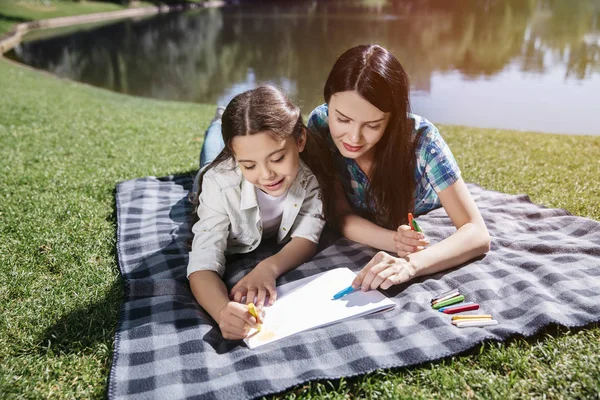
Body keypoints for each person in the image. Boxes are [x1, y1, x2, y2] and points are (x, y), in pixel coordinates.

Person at [307, 44, 491, 293]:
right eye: (342, 119)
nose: (354, 137)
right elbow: (341, 216)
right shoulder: (320, 124)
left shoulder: (422, 140)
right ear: (328, 102)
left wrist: (410, 265)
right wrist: (393, 240)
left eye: (372, 125)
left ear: (392, 119)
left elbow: (477, 233)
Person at [187, 85, 333, 340]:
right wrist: (223, 311)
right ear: (236, 159)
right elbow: (202, 262)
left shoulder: (310, 178)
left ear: (300, 141)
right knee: (209, 159)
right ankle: (217, 123)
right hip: (210, 177)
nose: (267, 175)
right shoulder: (219, 184)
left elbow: (307, 237)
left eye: (277, 159)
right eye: (249, 165)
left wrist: (269, 267)